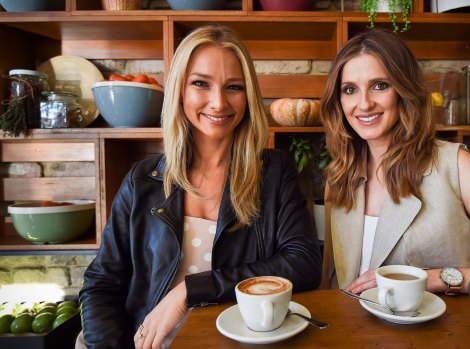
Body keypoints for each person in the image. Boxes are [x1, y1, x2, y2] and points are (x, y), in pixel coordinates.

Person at [78, 25, 322, 349]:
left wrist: (190, 290)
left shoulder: (275, 172)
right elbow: (101, 284)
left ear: (247, 95)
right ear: (180, 89)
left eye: (233, 87)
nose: (218, 102)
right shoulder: (142, 180)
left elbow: (304, 264)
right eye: (200, 84)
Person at [319, 28, 470, 295]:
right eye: (350, 90)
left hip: (438, 334)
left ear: (404, 90)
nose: (364, 103)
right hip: (353, 332)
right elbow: (332, 282)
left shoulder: (455, 164)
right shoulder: (339, 175)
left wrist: (438, 278)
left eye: (380, 85)